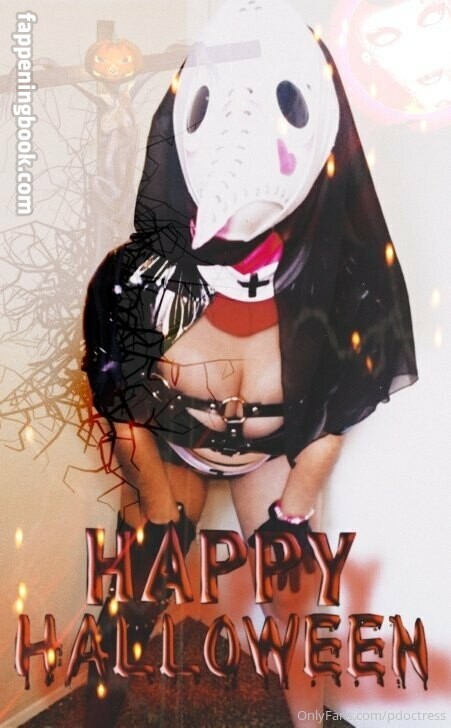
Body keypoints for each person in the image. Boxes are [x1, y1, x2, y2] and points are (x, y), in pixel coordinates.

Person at [82, 1, 417, 725]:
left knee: (295, 600)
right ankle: (101, 706)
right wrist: (158, 509)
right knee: (140, 583)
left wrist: (292, 514)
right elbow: (123, 406)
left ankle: (310, 723)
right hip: (172, 449)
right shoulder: (139, 280)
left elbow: (336, 414)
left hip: (269, 457)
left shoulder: (341, 288)